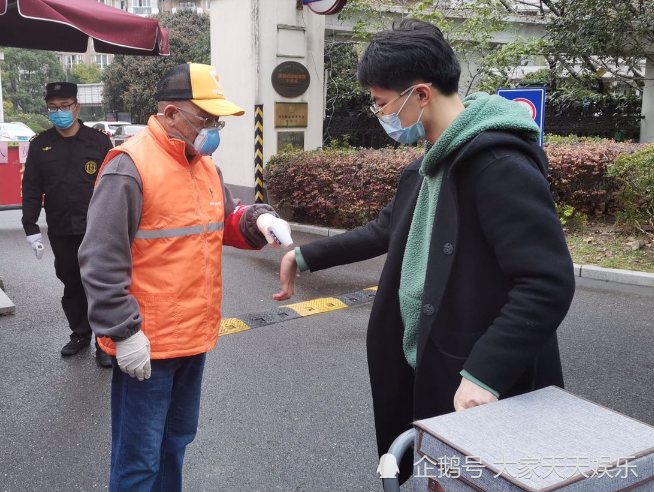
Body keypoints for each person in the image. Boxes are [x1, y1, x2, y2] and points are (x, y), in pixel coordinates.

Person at [274, 20, 576, 484]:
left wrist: (485, 373)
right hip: (428, 365)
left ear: (419, 94)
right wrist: (306, 256)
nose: (380, 115)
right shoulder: (428, 164)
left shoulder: (498, 165)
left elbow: (546, 281)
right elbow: (384, 229)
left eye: (380, 102)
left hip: (478, 383)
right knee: (435, 475)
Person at [78, 62, 288, 491]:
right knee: (139, 458)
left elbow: (222, 219)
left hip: (194, 336)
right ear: (170, 114)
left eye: (216, 120)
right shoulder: (130, 165)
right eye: (205, 118)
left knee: (175, 443)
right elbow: (100, 258)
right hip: (148, 345)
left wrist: (257, 220)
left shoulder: (204, 165)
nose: (212, 129)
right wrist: (124, 332)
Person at [22, 82, 114, 368]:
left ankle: (104, 341)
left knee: (99, 284)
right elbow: (32, 188)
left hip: (97, 228)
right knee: (71, 282)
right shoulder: (40, 144)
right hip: (61, 228)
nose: (59, 112)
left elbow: (114, 186)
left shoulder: (98, 141)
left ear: (77, 107)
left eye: (64, 106)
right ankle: (80, 334)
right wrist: (30, 227)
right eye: (53, 107)